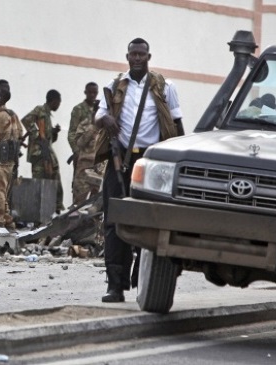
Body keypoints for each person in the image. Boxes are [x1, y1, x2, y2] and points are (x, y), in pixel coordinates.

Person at [95, 38, 184, 303]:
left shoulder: (165, 87)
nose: (136, 58)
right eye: (132, 54)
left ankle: (143, 278)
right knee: (113, 222)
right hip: (119, 159)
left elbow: (177, 123)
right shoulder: (113, 86)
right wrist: (106, 118)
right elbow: (97, 118)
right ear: (127, 56)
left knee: (151, 221)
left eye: (141, 54)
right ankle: (115, 285)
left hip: (151, 161)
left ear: (148, 57)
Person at [21, 89, 64, 212]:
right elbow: (26, 120)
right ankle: (36, 212)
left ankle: (57, 207)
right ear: (53, 101)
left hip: (48, 154)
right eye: (58, 102)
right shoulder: (40, 110)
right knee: (38, 184)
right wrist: (36, 134)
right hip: (38, 154)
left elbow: (47, 138)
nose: (58, 105)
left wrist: (54, 133)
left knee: (54, 179)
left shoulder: (48, 115)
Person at [0, 87, 22, 228]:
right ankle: (7, 220)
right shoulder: (12, 114)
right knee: (4, 192)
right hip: (10, 161)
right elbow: (20, 133)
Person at [69, 82, 99, 205]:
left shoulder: (103, 114)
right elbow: (72, 133)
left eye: (95, 93)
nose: (92, 95)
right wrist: (76, 151)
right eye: (90, 92)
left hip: (98, 163)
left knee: (96, 197)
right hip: (83, 158)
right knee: (80, 191)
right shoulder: (78, 110)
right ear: (85, 92)